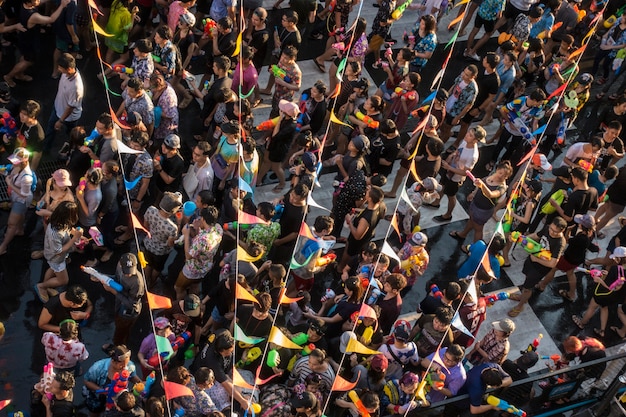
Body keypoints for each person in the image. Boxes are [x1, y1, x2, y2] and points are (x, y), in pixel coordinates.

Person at [508, 216, 567, 317]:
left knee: (528, 288)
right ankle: (522, 297)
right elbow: (536, 235)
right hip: (532, 259)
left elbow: (553, 263)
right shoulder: (547, 228)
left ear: (562, 230)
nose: (551, 232)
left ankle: (520, 305)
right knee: (526, 280)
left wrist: (536, 259)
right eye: (551, 229)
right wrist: (520, 239)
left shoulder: (560, 243)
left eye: (555, 232)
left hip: (540, 268)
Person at [4, 0, 71, 88]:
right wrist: (62, 6)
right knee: (28, 61)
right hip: (29, 41)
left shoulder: (24, 4)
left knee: (25, 58)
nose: (38, 1)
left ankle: (19, 74)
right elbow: (51, 19)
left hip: (25, 37)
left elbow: (40, 2)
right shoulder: (33, 16)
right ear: (29, 2)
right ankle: (9, 76)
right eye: (35, 0)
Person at [189, 330, 251, 411]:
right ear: (219, 351)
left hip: (223, 371)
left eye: (231, 351)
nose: (229, 354)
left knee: (247, 375)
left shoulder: (223, 334)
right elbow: (225, 382)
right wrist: (242, 400)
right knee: (221, 393)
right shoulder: (212, 361)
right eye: (226, 353)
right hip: (203, 376)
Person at [451, 160, 511, 243]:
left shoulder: (501, 187)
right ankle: (463, 234)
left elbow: (491, 194)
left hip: (483, 210)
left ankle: (475, 248)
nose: (501, 176)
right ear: (497, 170)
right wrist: (474, 193)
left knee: (478, 228)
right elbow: (481, 183)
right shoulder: (492, 176)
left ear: (507, 177)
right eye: (500, 173)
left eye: (504, 175)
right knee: (471, 220)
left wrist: (482, 185)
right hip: (475, 204)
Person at [433, 126, 483, 223]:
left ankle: (448, 214)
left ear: (476, 140)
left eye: (470, 135)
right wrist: (451, 156)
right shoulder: (465, 141)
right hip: (450, 168)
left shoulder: (473, 155)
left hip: (456, 177)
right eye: (468, 132)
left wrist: (449, 168)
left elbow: (466, 172)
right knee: (442, 185)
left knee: (451, 195)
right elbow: (458, 151)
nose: (467, 135)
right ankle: (436, 202)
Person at [35, 201, 81, 302]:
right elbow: (58, 251)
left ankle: (47, 286)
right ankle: (42, 286)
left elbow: (69, 229)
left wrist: (78, 235)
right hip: (56, 258)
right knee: (63, 280)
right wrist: (74, 239)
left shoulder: (59, 220)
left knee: (52, 269)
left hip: (55, 257)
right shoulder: (55, 234)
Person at [175, 206, 223, 299]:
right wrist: (198, 229)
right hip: (205, 267)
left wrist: (186, 234)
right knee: (195, 286)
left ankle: (181, 307)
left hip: (192, 269)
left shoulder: (202, 239)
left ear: (203, 219)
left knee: (178, 288)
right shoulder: (218, 229)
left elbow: (188, 255)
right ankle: (193, 301)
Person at [83, 345, 141, 417]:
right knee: (95, 411)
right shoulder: (98, 367)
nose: (125, 367)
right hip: (98, 397)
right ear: (113, 361)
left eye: (127, 364)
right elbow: (86, 381)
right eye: (122, 365)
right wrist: (102, 390)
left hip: (118, 400)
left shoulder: (130, 366)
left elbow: (132, 376)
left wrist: (140, 383)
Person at [0, 147, 34, 255]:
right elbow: (11, 174)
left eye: (16, 161)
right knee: (21, 215)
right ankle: (20, 230)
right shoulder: (17, 167)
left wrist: (10, 184)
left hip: (21, 200)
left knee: (11, 224)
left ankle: (3, 246)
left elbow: (24, 194)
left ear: (24, 161)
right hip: (15, 197)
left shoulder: (27, 177)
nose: (13, 163)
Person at [447, 362, 512, 416]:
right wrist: (492, 406)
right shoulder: (477, 387)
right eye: (494, 386)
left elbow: (509, 380)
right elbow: (474, 410)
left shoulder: (493, 366)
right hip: (458, 400)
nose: (495, 388)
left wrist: (500, 384)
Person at [438, 65, 479, 143]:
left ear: (473, 77)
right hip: (449, 102)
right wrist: (446, 97)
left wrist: (458, 117)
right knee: (441, 122)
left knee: (447, 128)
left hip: (456, 111)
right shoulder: (461, 77)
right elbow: (454, 85)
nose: (463, 75)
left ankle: (441, 142)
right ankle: (443, 133)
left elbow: (468, 106)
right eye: (464, 72)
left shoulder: (473, 89)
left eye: (467, 75)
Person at [153, 134, 184, 205]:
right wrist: (156, 158)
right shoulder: (163, 149)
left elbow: (168, 180)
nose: (163, 148)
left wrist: (159, 169)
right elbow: (158, 152)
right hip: (158, 183)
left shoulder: (178, 162)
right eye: (163, 144)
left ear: (174, 149)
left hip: (167, 191)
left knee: (159, 205)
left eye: (167, 147)